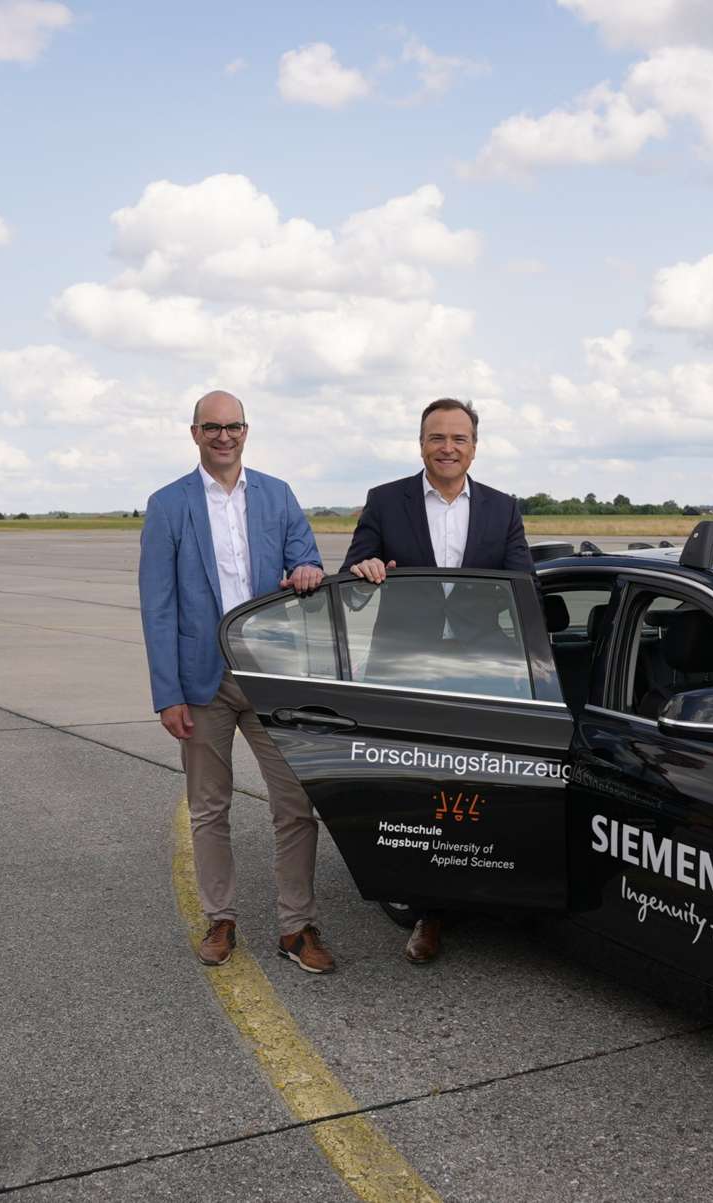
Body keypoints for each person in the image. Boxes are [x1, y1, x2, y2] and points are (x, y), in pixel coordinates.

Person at [139, 391, 335, 973]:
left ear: (247, 431)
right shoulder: (169, 504)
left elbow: (308, 556)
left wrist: (307, 568)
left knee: (296, 805)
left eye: (234, 426)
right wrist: (166, 693)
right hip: (202, 682)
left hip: (270, 676)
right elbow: (158, 605)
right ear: (194, 433)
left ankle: (297, 927)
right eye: (212, 427)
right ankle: (220, 918)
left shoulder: (276, 495)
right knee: (209, 808)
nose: (224, 436)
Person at [342, 398, 531, 964]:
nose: (447, 447)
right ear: (420, 442)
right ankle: (429, 911)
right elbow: (351, 586)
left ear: (475, 446)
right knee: (421, 791)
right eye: (436, 437)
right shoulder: (385, 501)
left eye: (459, 438)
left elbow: (522, 589)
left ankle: (490, 886)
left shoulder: (502, 508)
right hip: (408, 669)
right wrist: (364, 571)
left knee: (480, 788)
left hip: (481, 672)